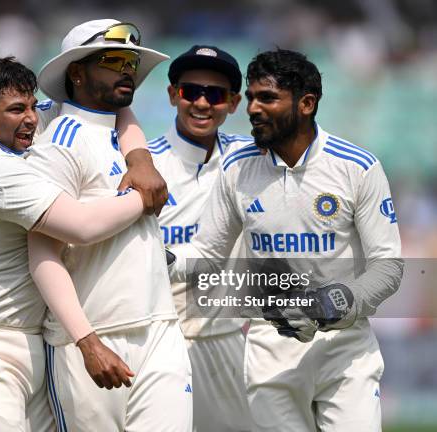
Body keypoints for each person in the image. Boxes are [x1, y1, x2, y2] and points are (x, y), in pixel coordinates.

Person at [0, 57, 155, 432]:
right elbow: (82, 226)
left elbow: (111, 106)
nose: (31, 118)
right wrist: (147, 195)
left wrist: (139, 158)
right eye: (16, 110)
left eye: (31, 106)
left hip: (27, 336)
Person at [169, 48, 403, 431]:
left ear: (306, 103)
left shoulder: (357, 166)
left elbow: (388, 266)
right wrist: (162, 259)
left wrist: (340, 300)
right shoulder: (237, 167)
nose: (252, 109)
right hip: (269, 350)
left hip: (344, 350)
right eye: (251, 97)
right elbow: (208, 254)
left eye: (268, 98)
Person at [27, 19, 193, 432]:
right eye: (113, 60)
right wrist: (87, 341)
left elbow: (121, 117)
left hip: (159, 328)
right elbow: (42, 255)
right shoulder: (58, 145)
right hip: (93, 337)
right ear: (77, 73)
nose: (127, 70)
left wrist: (140, 156)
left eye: (131, 62)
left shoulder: (128, 136)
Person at [149, 45, 252, 431]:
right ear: (173, 94)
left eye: (216, 94)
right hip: (160, 338)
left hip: (224, 337)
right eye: (191, 91)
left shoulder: (251, 159)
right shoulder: (143, 164)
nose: (202, 103)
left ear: (234, 103)